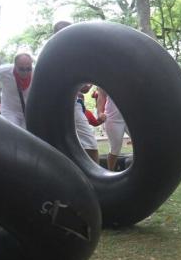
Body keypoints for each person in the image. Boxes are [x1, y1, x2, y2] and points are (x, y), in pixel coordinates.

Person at [53, 21, 101, 162]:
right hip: (70, 105)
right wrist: (93, 77)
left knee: (70, 144)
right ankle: (96, 180)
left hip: (70, 104)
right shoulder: (63, 56)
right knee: (90, 143)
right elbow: (84, 88)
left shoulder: (63, 54)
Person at [0, 53, 34, 129]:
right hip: (10, 110)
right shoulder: (3, 71)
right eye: (21, 69)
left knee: (27, 135)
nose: (25, 72)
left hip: (28, 111)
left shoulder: (36, 72)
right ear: (15, 66)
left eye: (28, 68)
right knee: (13, 131)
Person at [96, 88, 129, 171]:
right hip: (113, 119)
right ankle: (111, 172)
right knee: (115, 149)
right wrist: (99, 112)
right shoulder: (106, 77)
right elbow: (102, 95)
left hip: (132, 118)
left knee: (142, 143)